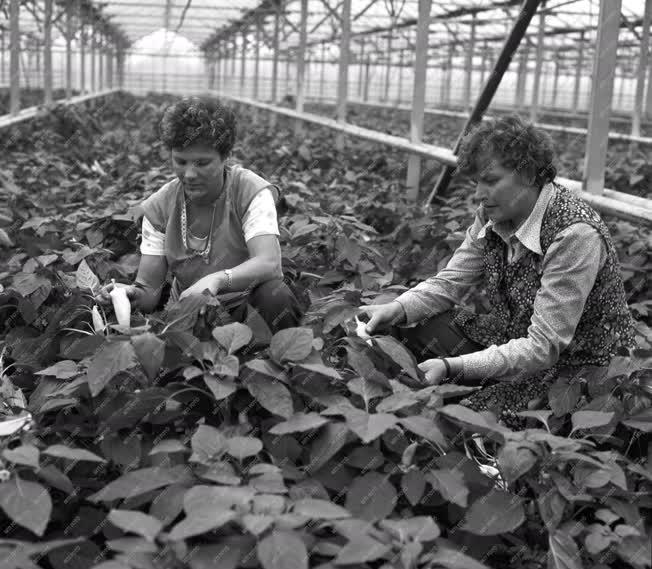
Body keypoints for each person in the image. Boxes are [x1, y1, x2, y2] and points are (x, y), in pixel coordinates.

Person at [358, 114, 636, 428]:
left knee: (466, 422)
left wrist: (452, 367)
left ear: (529, 174)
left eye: (490, 181)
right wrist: (395, 308)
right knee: (417, 325)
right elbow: (450, 282)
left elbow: (543, 348)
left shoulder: (573, 234)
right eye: (476, 181)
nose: (478, 193)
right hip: (514, 339)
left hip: (575, 370)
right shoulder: (493, 215)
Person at [97, 96, 303, 336]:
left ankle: (284, 363)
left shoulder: (249, 191)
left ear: (225, 156)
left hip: (245, 303)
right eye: (180, 161)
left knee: (275, 296)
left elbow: (269, 263)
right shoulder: (160, 206)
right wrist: (130, 294)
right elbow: (150, 293)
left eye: (202, 163)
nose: (190, 174)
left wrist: (216, 280)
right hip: (191, 311)